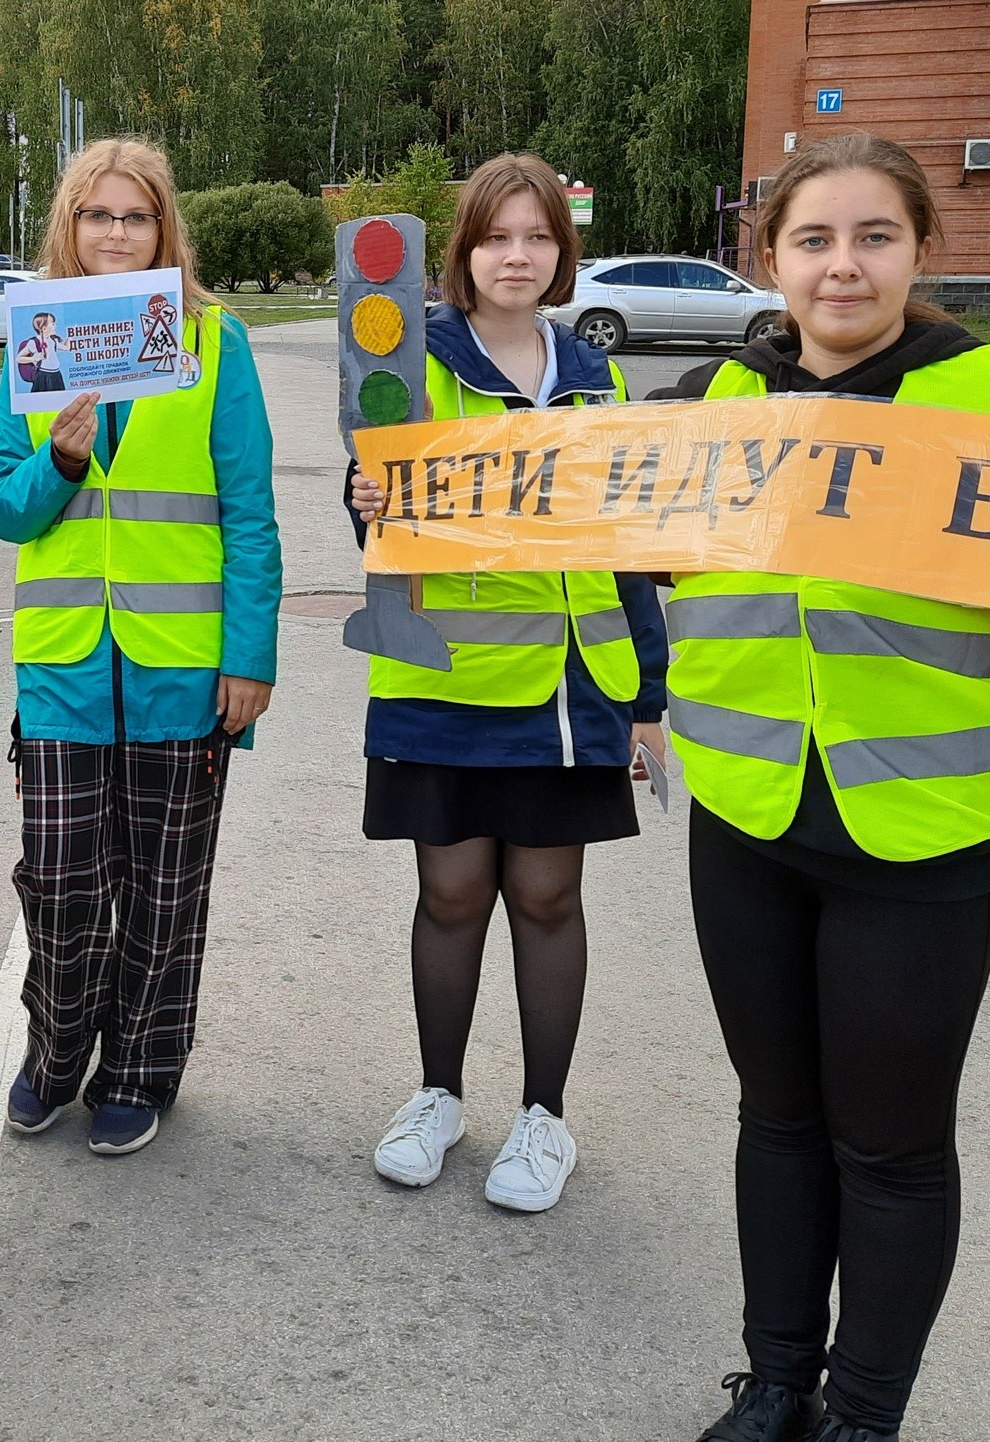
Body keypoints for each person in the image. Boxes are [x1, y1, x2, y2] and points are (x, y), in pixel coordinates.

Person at [668, 133, 990, 1442]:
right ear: (770, 259)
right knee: (775, 1123)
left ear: (919, 251)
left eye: (874, 237)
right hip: (747, 821)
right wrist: (404, 497)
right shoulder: (710, 399)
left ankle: (862, 1415)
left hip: (922, 842)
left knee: (888, 1151)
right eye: (815, 240)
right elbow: (565, 523)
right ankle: (777, 1383)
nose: (844, 266)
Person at [346, 154, 669, 1211]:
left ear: (561, 254)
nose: (517, 256)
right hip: (442, 674)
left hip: (569, 690)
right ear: (463, 254)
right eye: (497, 237)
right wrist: (366, 497)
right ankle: (438, 1096)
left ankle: (543, 1118)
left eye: (536, 237)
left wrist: (647, 699)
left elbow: (626, 546)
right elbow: (380, 523)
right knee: (447, 896)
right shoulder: (411, 355)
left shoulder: (596, 375)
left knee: (544, 897)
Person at [0, 136, 281, 1156]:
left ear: (165, 229)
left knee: (164, 891)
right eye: (97, 215)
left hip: (180, 669)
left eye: (136, 216)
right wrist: (56, 465)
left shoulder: (213, 343)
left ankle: (142, 1071)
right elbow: (4, 513)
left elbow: (248, 514)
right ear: (67, 227)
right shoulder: (35, 339)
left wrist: (249, 657)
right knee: (59, 885)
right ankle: (56, 1052)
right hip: (64, 668)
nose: (116, 233)